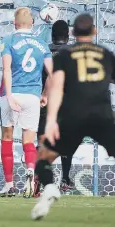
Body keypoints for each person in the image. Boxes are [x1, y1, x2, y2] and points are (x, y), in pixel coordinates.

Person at [32, 13, 115, 226]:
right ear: (94, 31)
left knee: (43, 157)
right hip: (102, 117)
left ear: (74, 33)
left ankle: (50, 188)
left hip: (73, 116)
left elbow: (55, 87)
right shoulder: (106, 54)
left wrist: (53, 120)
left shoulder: (64, 56)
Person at [0, 7, 53, 198]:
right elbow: (52, 74)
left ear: (14, 23)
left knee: (7, 137)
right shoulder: (41, 44)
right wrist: (44, 95)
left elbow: (6, 70)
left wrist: (10, 95)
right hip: (32, 96)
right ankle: (30, 172)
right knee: (28, 141)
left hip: (11, 94)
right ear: (32, 23)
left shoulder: (9, 41)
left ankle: (9, 184)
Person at [35, 20, 74, 196]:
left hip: (46, 99)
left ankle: (40, 177)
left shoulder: (44, 50)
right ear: (68, 35)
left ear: (52, 34)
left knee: (43, 140)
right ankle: (65, 178)